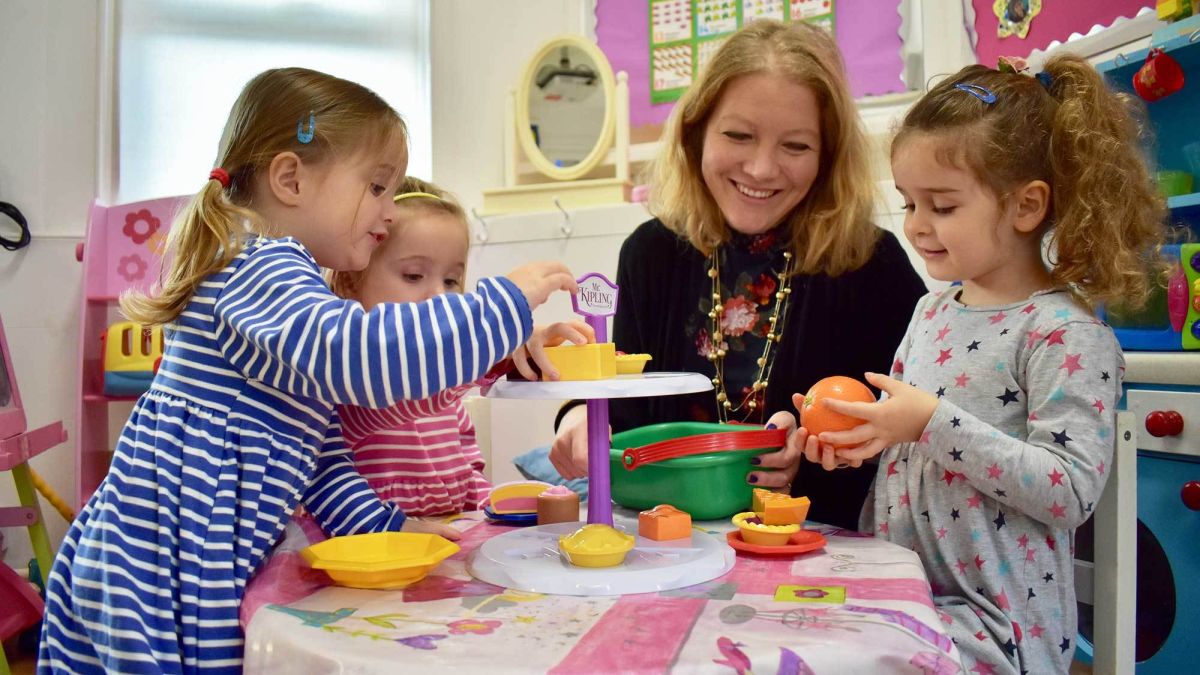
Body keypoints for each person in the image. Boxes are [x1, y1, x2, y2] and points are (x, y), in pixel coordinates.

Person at [38, 67, 576, 674]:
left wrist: (387, 527)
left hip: (191, 552)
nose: (388, 211)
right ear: (290, 178)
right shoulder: (256, 266)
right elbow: (364, 357)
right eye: (377, 186)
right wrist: (500, 304)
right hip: (158, 558)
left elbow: (320, 457)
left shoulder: (285, 287)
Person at [798, 55, 1167, 673]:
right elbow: (909, 445)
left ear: (1026, 206)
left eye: (941, 205)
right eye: (909, 203)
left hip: (996, 624)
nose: (916, 226)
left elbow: (1070, 490)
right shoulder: (930, 312)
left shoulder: (1065, 334)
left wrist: (926, 423)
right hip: (904, 590)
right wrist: (855, 436)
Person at [547, 19, 926, 529]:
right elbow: (622, 406)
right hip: (669, 542)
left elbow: (916, 428)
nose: (762, 169)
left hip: (816, 548)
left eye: (795, 146)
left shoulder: (871, 263)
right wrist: (575, 416)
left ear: (827, 157)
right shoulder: (650, 255)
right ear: (697, 132)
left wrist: (817, 458)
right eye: (738, 135)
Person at [326, 177, 593, 516]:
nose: (440, 295)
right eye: (413, 276)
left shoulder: (449, 398)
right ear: (350, 282)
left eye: (451, 280)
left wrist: (499, 507)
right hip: (374, 551)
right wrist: (494, 346)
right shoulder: (345, 383)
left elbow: (468, 479)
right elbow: (404, 395)